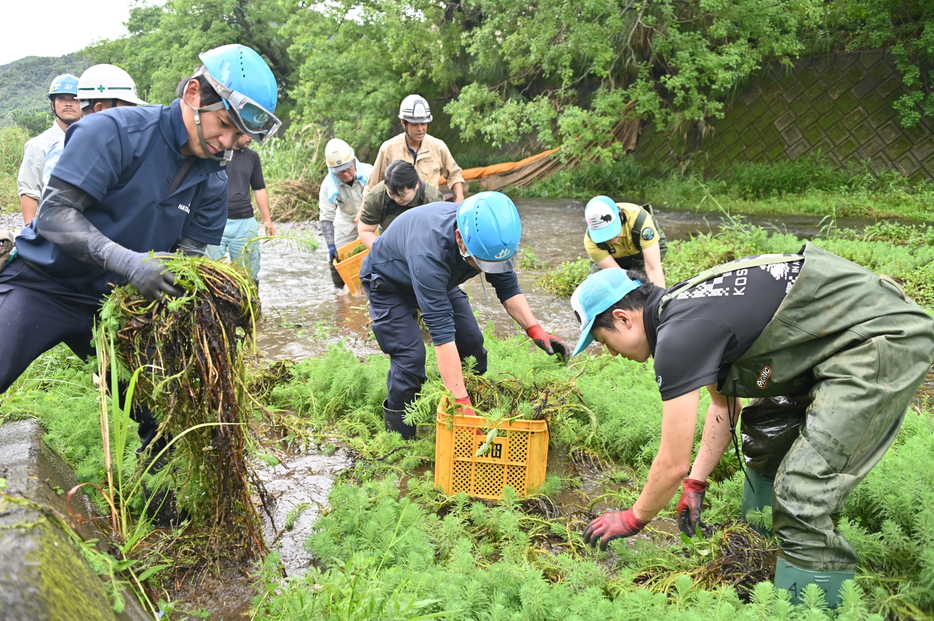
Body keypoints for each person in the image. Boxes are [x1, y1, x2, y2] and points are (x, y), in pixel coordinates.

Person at [569, 244, 934, 607]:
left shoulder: (678, 335)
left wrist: (634, 518)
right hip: (830, 342)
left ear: (622, 318)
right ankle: (766, 546)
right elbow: (723, 403)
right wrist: (696, 483)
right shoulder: (684, 310)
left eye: (604, 342)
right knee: (765, 431)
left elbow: (671, 462)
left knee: (801, 492)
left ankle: (813, 607)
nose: (612, 353)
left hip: (879, 340)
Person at [0, 44, 280, 458]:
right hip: (45, 284)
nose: (227, 142)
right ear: (191, 95)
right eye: (224, 124)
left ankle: (162, 510)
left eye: (239, 136)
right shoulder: (114, 132)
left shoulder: (213, 181)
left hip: (120, 306)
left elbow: (187, 261)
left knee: (169, 408)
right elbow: (55, 214)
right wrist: (127, 261)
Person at [360, 191, 569, 438]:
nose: (487, 270)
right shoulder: (430, 252)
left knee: (471, 342)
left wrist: (535, 330)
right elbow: (442, 335)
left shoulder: (489, 237)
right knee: (410, 359)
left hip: (439, 280)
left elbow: (508, 288)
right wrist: (461, 404)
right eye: (482, 263)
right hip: (389, 284)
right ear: (460, 239)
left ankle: (469, 397)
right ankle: (399, 436)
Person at [42, 64, 149, 188]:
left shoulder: (130, 149)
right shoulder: (65, 151)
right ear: (100, 109)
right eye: (128, 110)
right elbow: (55, 204)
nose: (134, 116)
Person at [362, 94, 465, 207]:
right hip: (398, 212)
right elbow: (372, 186)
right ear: (403, 123)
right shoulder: (388, 149)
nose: (420, 129)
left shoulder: (438, 146)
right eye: (415, 124)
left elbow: (454, 175)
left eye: (424, 123)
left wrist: (460, 197)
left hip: (430, 209)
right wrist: (363, 212)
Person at [206, 135, 274, 284]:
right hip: (216, 221)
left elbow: (259, 188)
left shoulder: (252, 157)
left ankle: (250, 306)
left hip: (244, 222)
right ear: (235, 130)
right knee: (211, 273)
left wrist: (267, 220)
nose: (250, 137)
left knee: (249, 275)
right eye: (246, 133)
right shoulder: (216, 153)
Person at [16, 74, 81, 225]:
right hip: (53, 224)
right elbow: (30, 191)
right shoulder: (38, 145)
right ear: (53, 105)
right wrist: (29, 231)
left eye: (74, 98)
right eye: (62, 98)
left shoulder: (96, 138)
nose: (68, 104)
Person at [319, 138, 372, 288]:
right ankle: (341, 293)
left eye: (349, 168)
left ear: (354, 161)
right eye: (341, 172)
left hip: (372, 218)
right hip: (346, 222)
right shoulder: (327, 184)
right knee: (337, 259)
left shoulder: (370, 172)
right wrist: (330, 245)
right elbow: (326, 217)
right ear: (333, 171)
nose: (347, 174)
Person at [584, 195, 667, 288]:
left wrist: (660, 300)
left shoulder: (640, 220)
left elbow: (653, 269)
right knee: (600, 287)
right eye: (603, 235)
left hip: (641, 253)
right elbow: (620, 278)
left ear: (621, 216)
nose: (610, 239)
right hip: (612, 258)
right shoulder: (591, 242)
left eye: (612, 231)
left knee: (646, 285)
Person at [357, 159, 443, 248]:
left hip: (424, 245)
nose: (397, 199)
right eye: (392, 194)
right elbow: (365, 230)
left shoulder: (433, 200)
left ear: (416, 185)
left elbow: (441, 234)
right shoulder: (377, 196)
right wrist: (383, 252)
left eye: (403, 195)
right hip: (389, 246)